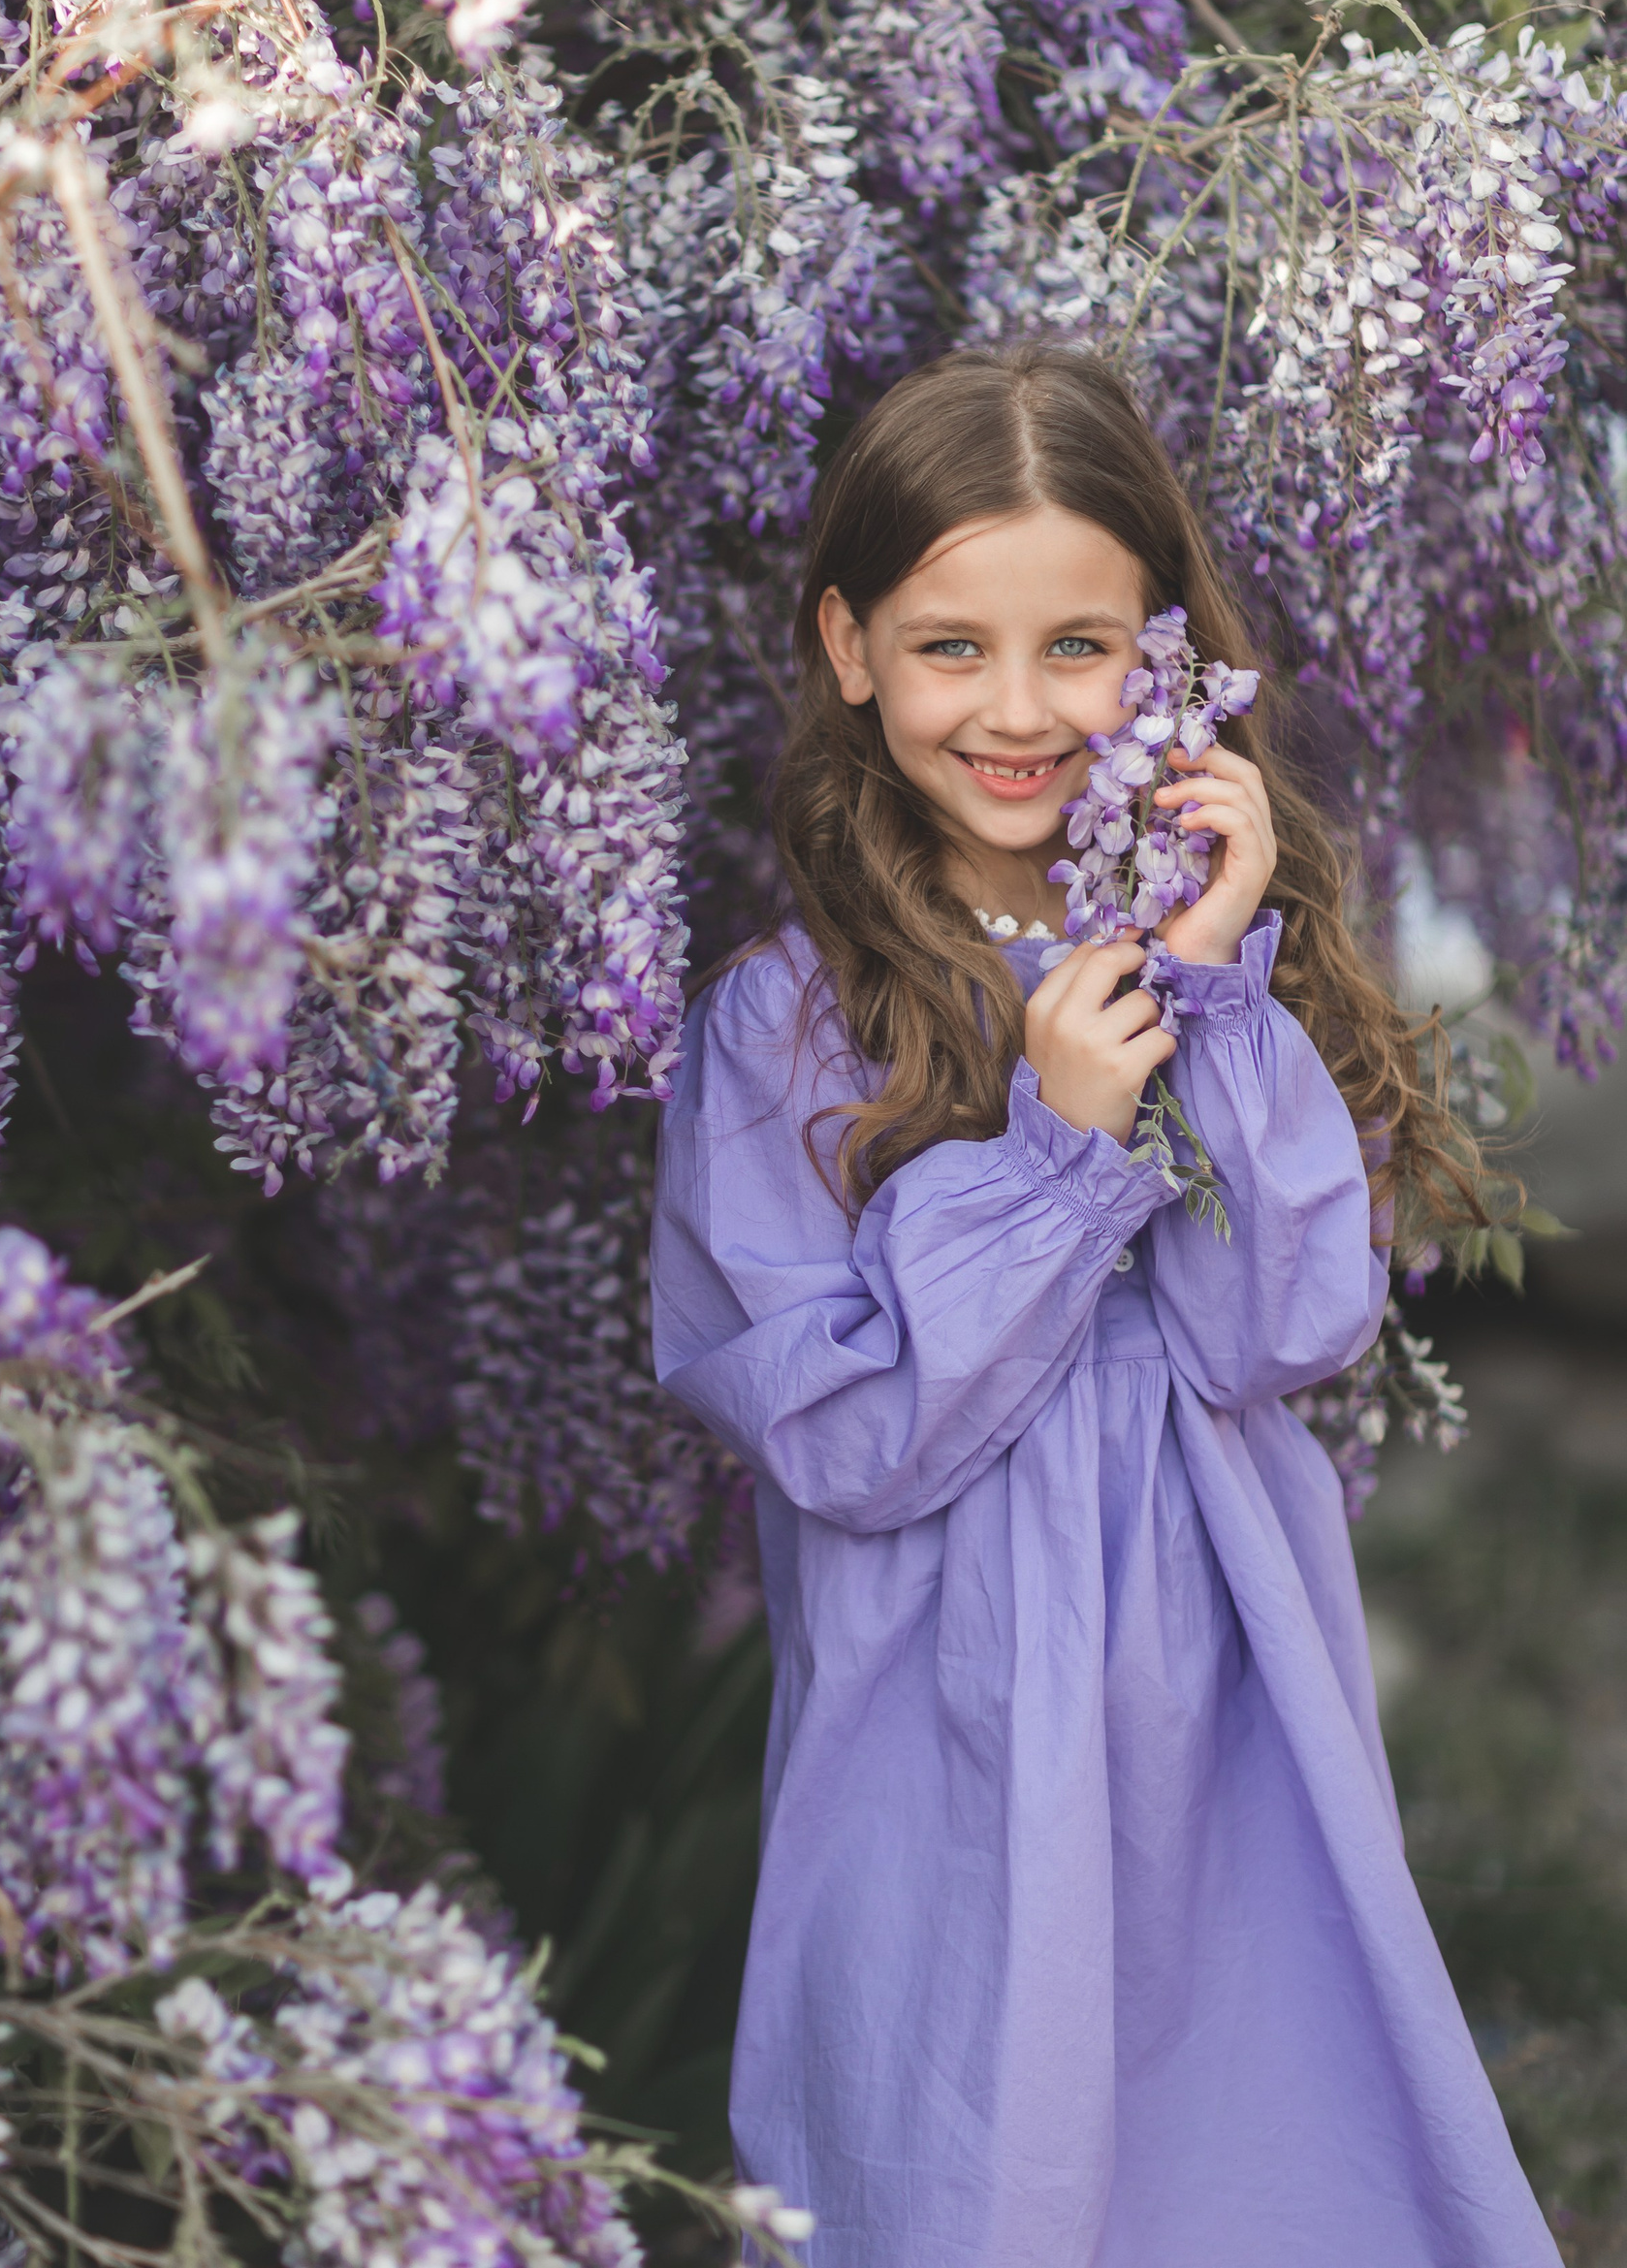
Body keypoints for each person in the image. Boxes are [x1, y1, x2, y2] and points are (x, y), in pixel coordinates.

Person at [648, 342, 1557, 2268]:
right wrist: (1059, 1153)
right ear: (849, 648)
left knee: (1258, 2157)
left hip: (1222, 1709)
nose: (1017, 707)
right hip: (951, 1725)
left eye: (1079, 646)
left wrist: (1214, 990)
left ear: (1164, 658)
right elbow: (847, 1434)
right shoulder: (779, 1027)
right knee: (973, 2165)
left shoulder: (1209, 966)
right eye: (949, 645)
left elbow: (1278, 1330)